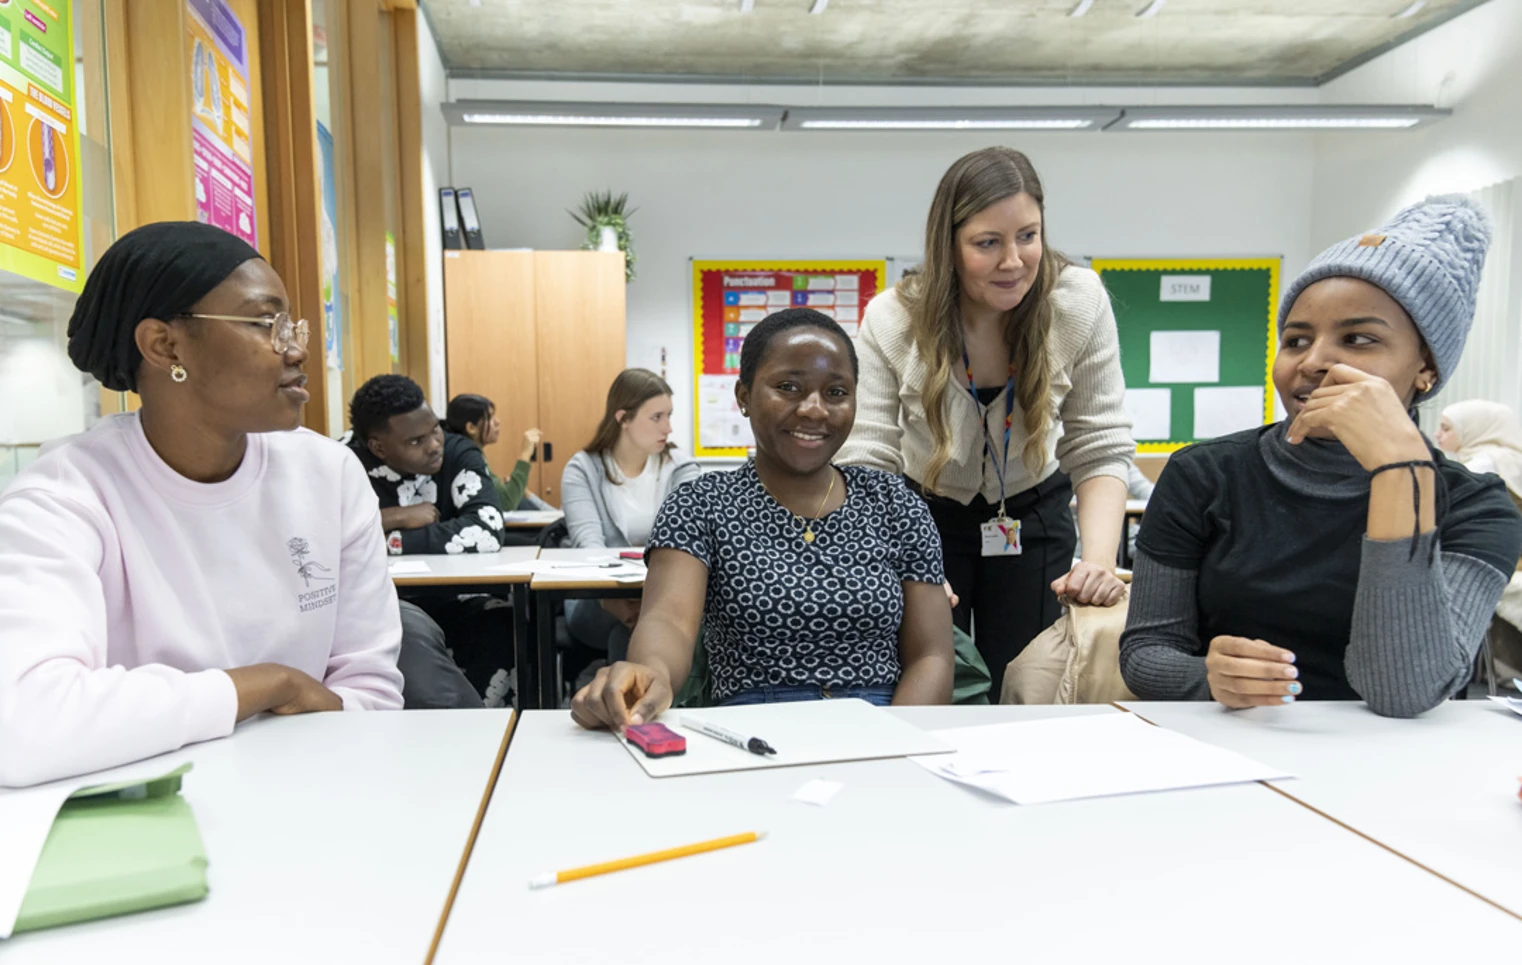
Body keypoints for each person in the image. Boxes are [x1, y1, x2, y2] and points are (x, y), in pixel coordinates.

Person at [0, 222, 403, 787]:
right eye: (266, 323)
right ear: (164, 345)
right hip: (145, 818)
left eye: (291, 324)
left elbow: (370, 692)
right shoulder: (61, 500)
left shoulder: (327, 474)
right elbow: (22, 722)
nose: (296, 347)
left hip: (314, 796)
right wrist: (267, 684)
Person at [1119, 196, 1522, 718]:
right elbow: (1146, 655)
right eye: (1296, 340)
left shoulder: (1478, 506)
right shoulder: (1204, 475)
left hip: (1400, 766)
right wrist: (1207, 677)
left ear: (1425, 367)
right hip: (1234, 745)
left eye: (1358, 339)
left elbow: (1404, 691)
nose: (1313, 362)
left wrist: (1400, 470)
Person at [838, 147, 1134, 697]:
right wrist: (905, 556)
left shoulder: (1078, 302)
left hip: (1032, 511)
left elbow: (1100, 441)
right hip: (924, 515)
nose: (1014, 260)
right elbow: (867, 457)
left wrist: (1097, 564)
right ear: (948, 245)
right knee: (932, 675)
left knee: (1030, 678)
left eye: (1028, 235)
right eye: (987, 243)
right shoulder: (892, 318)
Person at [571, 309, 954, 729]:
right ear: (743, 396)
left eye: (837, 392)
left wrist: (891, 742)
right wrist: (651, 673)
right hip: (753, 731)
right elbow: (669, 621)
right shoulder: (702, 503)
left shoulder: (894, 503)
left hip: (884, 722)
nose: (814, 409)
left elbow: (931, 655)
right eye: (788, 387)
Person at [347, 374, 514, 707]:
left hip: (456, 597)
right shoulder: (343, 462)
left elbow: (487, 527)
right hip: (377, 603)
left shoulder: (457, 451)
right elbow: (325, 535)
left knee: (500, 622)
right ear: (378, 446)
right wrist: (395, 517)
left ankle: (486, 733)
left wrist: (390, 539)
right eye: (415, 441)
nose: (434, 444)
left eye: (434, 429)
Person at [560, 369, 699, 662]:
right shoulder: (582, 469)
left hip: (665, 593)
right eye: (657, 417)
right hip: (596, 597)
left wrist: (650, 599)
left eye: (669, 416)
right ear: (623, 418)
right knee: (639, 630)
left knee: (638, 631)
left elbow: (690, 542)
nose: (668, 428)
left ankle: (622, 693)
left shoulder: (681, 467)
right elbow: (589, 547)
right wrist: (614, 601)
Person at [444, 392, 542, 512]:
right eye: (489, 418)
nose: (497, 422)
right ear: (471, 428)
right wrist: (526, 453)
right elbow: (507, 502)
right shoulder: (469, 457)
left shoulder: (459, 449)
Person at [1435, 399, 1522, 509]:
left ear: (1472, 429)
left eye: (1446, 429)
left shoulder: (1485, 463)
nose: (1437, 434)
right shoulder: (1504, 458)